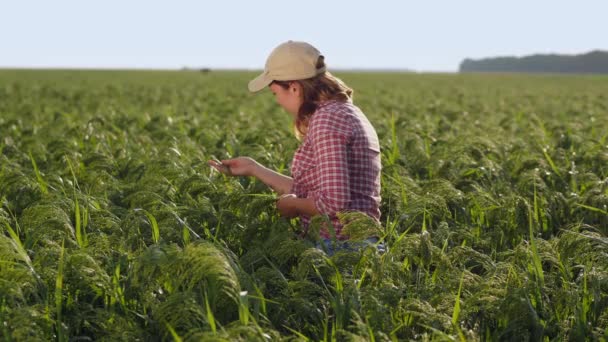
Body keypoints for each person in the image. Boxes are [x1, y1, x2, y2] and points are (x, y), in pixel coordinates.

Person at [208, 40, 383, 255]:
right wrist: (253, 168)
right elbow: (314, 192)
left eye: (275, 93)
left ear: (294, 87)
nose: (277, 101)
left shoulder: (327, 120)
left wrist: (292, 207)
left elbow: (333, 203)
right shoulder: (344, 112)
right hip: (354, 245)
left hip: (340, 247)